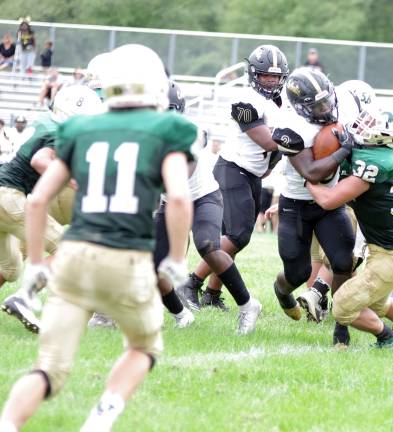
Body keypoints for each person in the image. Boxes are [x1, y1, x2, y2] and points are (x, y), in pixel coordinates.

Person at [0, 44, 195, 432]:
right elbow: (180, 198)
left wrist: (36, 263)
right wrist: (177, 261)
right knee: (145, 347)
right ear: (157, 87)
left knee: (48, 370)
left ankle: (5, 426)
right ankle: (100, 421)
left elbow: (36, 201)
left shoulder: (81, 127)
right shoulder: (169, 129)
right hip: (127, 258)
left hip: (73, 257)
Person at [307, 102, 393, 348]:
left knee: (341, 306)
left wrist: (307, 179)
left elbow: (328, 200)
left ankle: (386, 336)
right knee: (382, 304)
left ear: (385, 137)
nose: (362, 126)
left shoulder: (374, 165)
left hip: (390, 257)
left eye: (371, 125)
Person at [0, 86, 104, 334]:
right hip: (9, 197)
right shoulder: (58, 131)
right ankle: (23, 297)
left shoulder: (43, 121)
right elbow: (40, 160)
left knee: (9, 267)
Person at [178, 45, 287, 311]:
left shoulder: (280, 103)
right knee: (237, 236)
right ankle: (191, 283)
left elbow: (275, 148)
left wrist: (276, 157)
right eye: (265, 76)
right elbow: (267, 140)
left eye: (275, 76)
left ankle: (212, 295)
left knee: (235, 238)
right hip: (232, 170)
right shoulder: (245, 101)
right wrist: (298, 140)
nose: (271, 81)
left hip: (251, 173)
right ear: (253, 75)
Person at [155, 80, 262, 334]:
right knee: (152, 265)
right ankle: (181, 315)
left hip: (203, 197)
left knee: (208, 245)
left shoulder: (190, 129)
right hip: (170, 202)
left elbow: (185, 166)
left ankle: (247, 305)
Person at [271, 67, 361, 346]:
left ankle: (341, 327)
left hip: (329, 202)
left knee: (343, 261)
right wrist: (344, 150)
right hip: (296, 204)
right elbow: (311, 172)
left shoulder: (344, 102)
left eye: (326, 101)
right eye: (316, 105)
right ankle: (282, 291)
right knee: (297, 273)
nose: (325, 109)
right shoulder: (288, 126)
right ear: (299, 106)